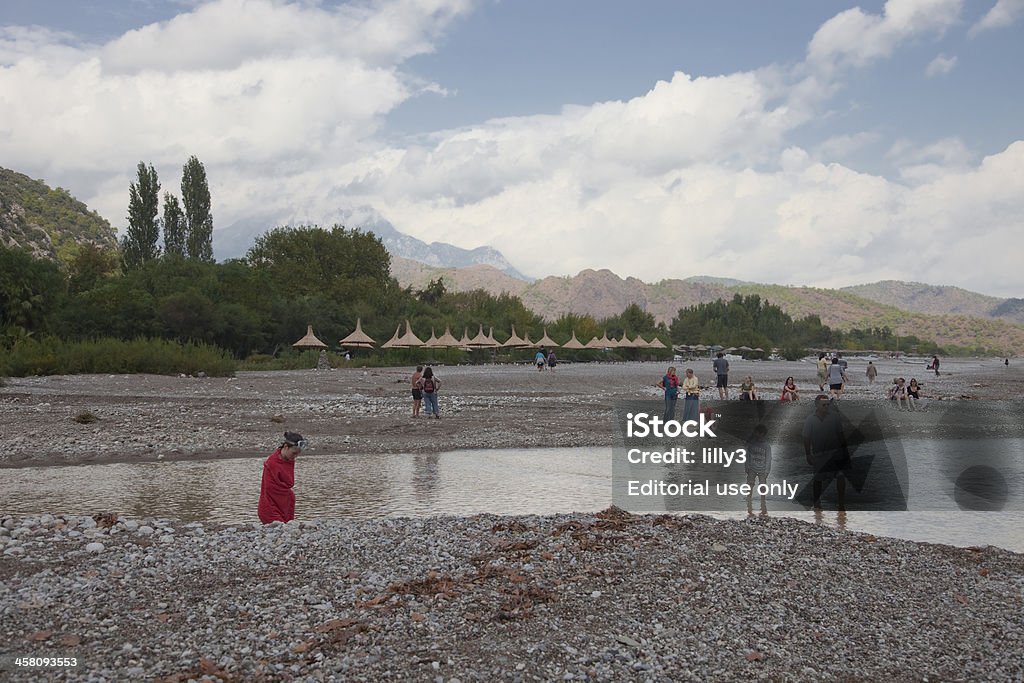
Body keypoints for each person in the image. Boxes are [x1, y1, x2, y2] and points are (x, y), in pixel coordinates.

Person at [802, 396, 849, 509]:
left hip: (835, 452)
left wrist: (845, 451)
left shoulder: (835, 417)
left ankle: (841, 504)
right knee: (818, 479)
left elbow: (840, 434)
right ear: (817, 405)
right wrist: (808, 454)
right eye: (824, 405)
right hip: (819, 453)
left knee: (840, 476)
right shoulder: (810, 419)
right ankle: (817, 504)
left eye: (828, 404)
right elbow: (806, 438)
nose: (826, 407)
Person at [258, 432, 305, 524]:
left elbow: (288, 482)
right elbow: (270, 488)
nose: (295, 457)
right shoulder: (272, 463)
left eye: (297, 454)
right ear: (286, 447)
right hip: (270, 507)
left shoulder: (288, 460)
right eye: (294, 453)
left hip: (285, 504)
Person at [745, 424, 772, 516]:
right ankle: (749, 503)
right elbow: (747, 456)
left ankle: (763, 503)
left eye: (757, 432)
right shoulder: (751, 444)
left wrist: (767, 471)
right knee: (750, 484)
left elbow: (769, 459)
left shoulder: (766, 446)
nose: (755, 434)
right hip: (752, 468)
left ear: (762, 434)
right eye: (755, 432)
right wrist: (747, 466)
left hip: (762, 469)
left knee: (762, 486)